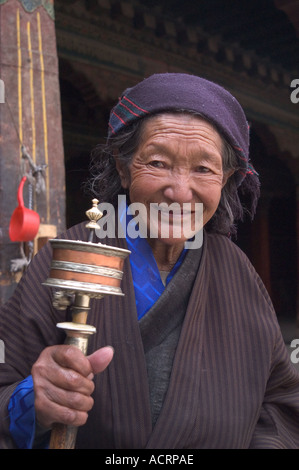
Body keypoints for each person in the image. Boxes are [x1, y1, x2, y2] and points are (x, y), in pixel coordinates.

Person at [1, 73, 299, 449]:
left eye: (203, 169)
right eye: (158, 162)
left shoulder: (238, 272)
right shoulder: (71, 253)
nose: (179, 190)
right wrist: (34, 400)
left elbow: (279, 404)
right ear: (124, 167)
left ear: (225, 180)